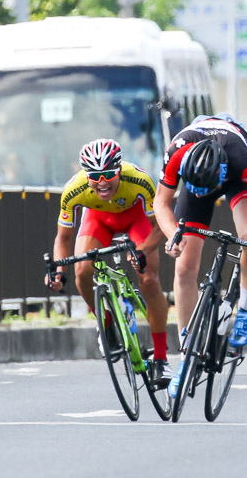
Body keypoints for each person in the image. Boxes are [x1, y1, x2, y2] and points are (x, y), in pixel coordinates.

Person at [153, 113, 247, 396]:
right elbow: (160, 202)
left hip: (233, 176)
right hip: (196, 171)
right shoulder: (176, 151)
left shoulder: (239, 159)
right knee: (184, 266)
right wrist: (172, 235)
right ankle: (186, 354)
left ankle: (246, 309)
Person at [45, 138, 172, 388]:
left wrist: (143, 250)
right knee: (82, 270)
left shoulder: (139, 180)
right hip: (99, 221)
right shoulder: (74, 189)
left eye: (108, 175)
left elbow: (160, 226)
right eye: (95, 176)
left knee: (148, 278)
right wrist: (59, 272)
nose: (102, 182)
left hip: (136, 220)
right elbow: (64, 237)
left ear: (119, 170)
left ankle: (160, 358)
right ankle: (106, 323)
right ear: (86, 174)